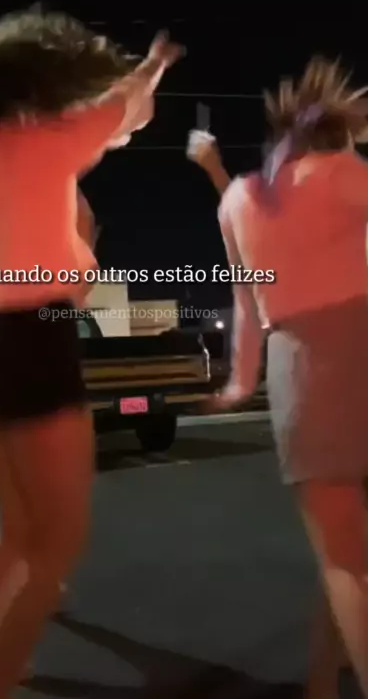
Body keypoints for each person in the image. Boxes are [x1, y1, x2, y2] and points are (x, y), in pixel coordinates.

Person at [0, 0, 184, 699]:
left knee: (15, 536)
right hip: (32, 340)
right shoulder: (45, 138)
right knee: (54, 545)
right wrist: (154, 64)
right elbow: (126, 108)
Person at [200, 56, 368, 699]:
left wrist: (240, 381)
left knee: (342, 554)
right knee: (349, 556)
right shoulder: (347, 174)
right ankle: (324, 682)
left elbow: (245, 300)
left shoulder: (238, 201)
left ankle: (322, 683)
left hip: (300, 365)